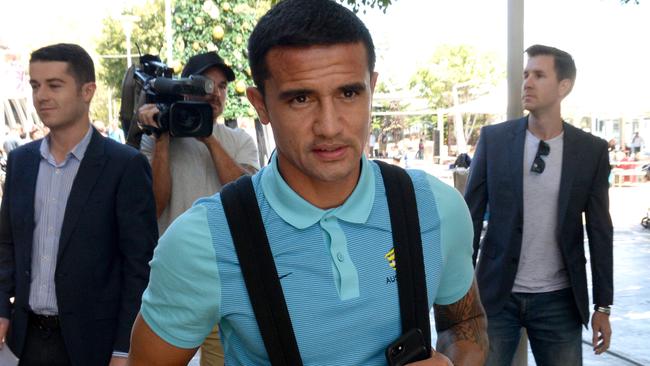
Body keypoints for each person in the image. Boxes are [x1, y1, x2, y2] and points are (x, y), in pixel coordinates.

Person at [129, 1, 487, 365]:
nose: (329, 126)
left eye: (348, 93)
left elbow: (466, 321)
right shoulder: (203, 241)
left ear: (371, 88)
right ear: (261, 104)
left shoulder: (435, 207)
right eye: (300, 98)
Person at [0, 43, 158, 366]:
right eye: (35, 85)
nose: (41, 95)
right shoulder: (21, 162)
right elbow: (6, 245)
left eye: (54, 85)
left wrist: (123, 348)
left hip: (93, 347)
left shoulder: (124, 167)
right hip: (24, 342)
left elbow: (139, 267)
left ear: (88, 91)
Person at [464, 44, 613, 365]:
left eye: (539, 75)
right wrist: (460, 296)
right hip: (495, 295)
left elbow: (601, 232)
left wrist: (603, 306)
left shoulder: (591, 151)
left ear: (564, 86)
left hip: (559, 301)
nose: (527, 82)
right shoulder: (494, 140)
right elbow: (470, 219)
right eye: (526, 74)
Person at [137, 51, 260, 366]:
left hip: (228, 279)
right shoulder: (161, 137)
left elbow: (248, 197)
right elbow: (155, 205)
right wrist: (161, 139)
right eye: (207, 84)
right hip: (173, 280)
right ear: (186, 88)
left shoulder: (238, 140)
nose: (215, 93)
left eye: (221, 87)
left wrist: (209, 139)